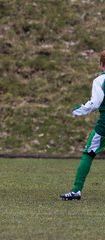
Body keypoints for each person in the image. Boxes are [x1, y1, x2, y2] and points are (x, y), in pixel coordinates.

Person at [60, 50, 105, 201]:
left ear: (101, 64)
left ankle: (76, 191)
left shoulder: (100, 81)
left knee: (89, 154)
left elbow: (95, 103)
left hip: (104, 126)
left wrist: (78, 111)